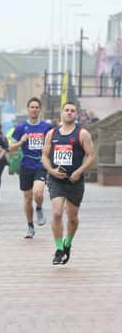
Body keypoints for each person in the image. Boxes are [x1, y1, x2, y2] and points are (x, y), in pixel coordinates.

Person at [41, 101, 95, 265]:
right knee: (57, 213)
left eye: (72, 111)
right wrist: (51, 171)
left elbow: (91, 156)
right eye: (67, 110)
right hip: (56, 179)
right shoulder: (52, 134)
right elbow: (44, 155)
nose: (69, 113)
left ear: (76, 114)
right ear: (61, 113)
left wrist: (79, 172)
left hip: (74, 181)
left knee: (72, 218)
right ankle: (58, 249)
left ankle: (67, 243)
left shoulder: (82, 134)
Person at [9, 97, 53, 238]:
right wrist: (21, 142)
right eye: (32, 107)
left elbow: (54, 144)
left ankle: (39, 208)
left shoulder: (46, 127)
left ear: (40, 109)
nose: (34, 109)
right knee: (28, 199)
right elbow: (10, 148)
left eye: (36, 107)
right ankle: (30, 226)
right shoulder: (21, 127)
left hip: (41, 164)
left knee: (38, 193)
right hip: (26, 164)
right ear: (28, 109)